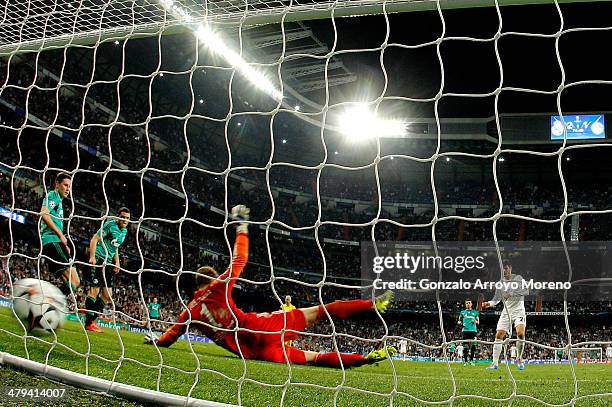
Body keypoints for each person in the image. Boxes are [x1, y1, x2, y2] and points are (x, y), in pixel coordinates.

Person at [145, 205, 396, 368]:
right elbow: (240, 260)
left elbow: (170, 337)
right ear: (212, 278)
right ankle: (371, 304)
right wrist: (241, 227)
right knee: (322, 310)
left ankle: (365, 359)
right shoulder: (218, 285)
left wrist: (155, 342)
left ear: (195, 285)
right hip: (262, 327)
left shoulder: (189, 311)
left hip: (254, 353)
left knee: (315, 359)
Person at [83, 207, 130, 332]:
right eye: (123, 217)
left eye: (127, 218)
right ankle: (89, 323)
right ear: (118, 217)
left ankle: (92, 320)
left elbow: (115, 247)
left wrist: (117, 262)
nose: (125, 220)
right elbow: (95, 238)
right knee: (94, 290)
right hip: (98, 259)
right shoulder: (110, 225)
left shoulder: (124, 231)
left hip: (108, 263)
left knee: (107, 294)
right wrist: (92, 257)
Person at [40, 172, 80, 300]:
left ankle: (45, 305)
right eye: (65, 185)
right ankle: (44, 301)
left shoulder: (60, 202)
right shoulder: (53, 195)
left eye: (70, 186)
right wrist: (60, 236)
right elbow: (44, 214)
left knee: (71, 284)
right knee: (75, 281)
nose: (68, 189)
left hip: (55, 242)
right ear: (57, 184)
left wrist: (63, 242)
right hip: (52, 241)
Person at [482, 260, 528, 370]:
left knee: (520, 334)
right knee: (499, 335)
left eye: (506, 268)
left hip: (519, 311)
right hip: (507, 311)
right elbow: (496, 300)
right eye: (502, 269)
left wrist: (511, 293)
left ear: (510, 268)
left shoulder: (518, 278)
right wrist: (488, 304)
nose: (504, 271)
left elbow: (526, 291)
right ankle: (495, 363)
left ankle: (519, 359)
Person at [458, 299, 479, 366]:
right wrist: (459, 322)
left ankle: (472, 360)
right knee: (465, 346)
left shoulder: (475, 312)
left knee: (473, 346)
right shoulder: (462, 312)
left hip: (473, 331)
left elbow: (478, 322)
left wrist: (475, 322)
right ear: (465, 304)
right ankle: (466, 361)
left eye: (469, 303)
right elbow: (459, 321)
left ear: (471, 304)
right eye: (467, 303)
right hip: (465, 331)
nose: (468, 304)